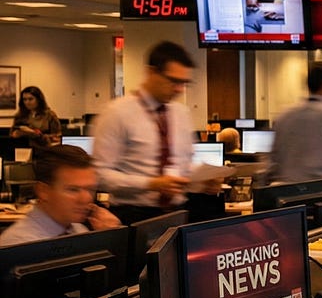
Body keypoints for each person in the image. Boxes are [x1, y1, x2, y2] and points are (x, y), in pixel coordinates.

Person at [93, 41, 220, 225]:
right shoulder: (116, 113)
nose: (179, 89)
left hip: (178, 212)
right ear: (151, 72)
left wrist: (204, 182)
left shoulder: (181, 113)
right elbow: (100, 174)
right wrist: (151, 184)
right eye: (173, 81)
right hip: (134, 214)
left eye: (184, 83)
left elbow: (183, 167)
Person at [1, 145, 120, 245]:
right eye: (73, 190)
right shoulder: (18, 244)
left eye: (90, 189)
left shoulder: (79, 230)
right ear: (43, 191)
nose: (86, 199)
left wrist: (110, 239)